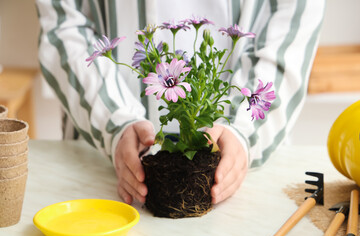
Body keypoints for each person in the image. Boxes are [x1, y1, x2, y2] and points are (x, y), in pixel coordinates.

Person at [35, 0, 325, 205]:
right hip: (104, 176)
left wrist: (242, 130)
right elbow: (65, 25)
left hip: (244, 180)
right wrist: (115, 121)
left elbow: (293, 20)